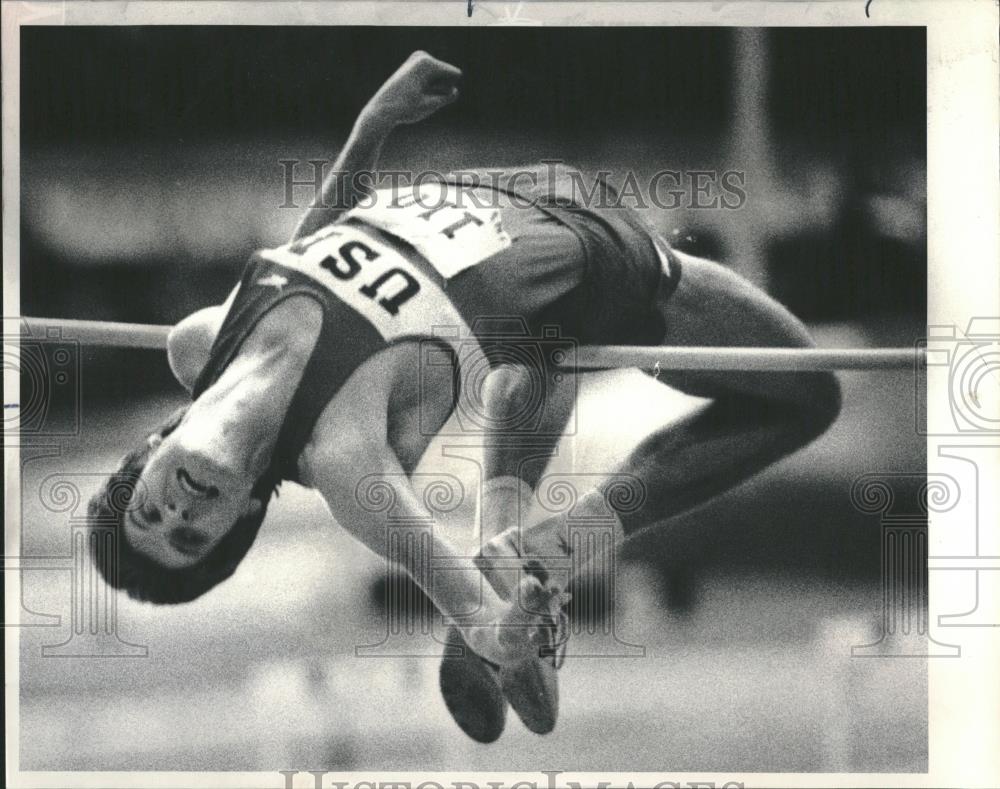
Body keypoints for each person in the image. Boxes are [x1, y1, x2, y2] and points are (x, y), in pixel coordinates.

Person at [88, 51, 841, 743]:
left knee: (538, 353)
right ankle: (561, 544)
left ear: (150, 450)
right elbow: (469, 607)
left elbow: (303, 253)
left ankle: (515, 535)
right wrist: (501, 632)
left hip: (490, 195)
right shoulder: (349, 464)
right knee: (808, 396)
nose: (179, 511)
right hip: (590, 254)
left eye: (150, 509)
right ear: (240, 517)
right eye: (192, 534)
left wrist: (371, 126)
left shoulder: (200, 341)